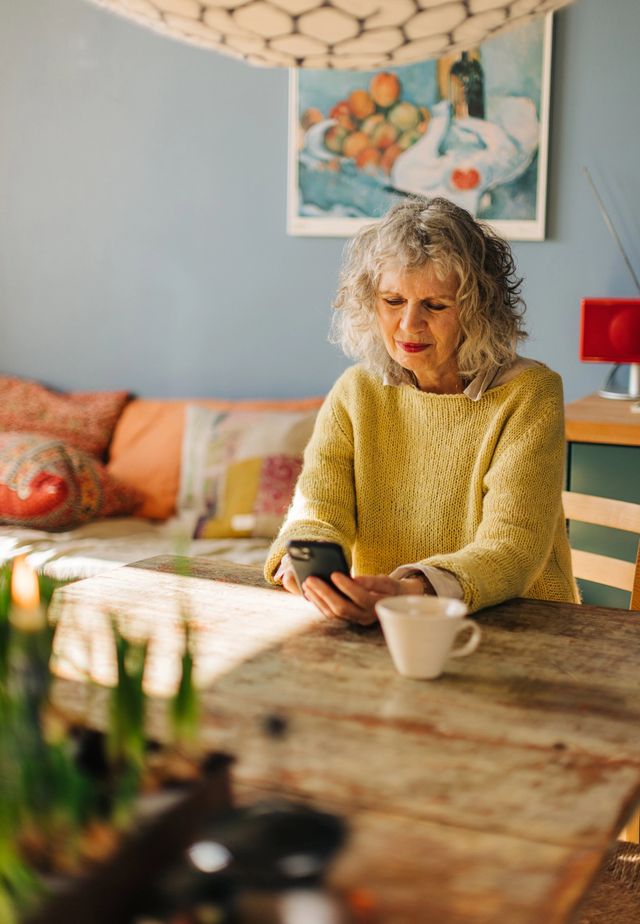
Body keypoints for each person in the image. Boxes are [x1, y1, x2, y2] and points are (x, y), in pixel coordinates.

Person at [264, 196, 579, 623]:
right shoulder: (355, 392)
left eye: (435, 305)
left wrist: (409, 591)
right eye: (393, 301)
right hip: (386, 624)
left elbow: (513, 548)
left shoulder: (529, 395)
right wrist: (303, 563)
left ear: (477, 310)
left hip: (520, 626)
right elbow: (317, 509)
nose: (410, 325)